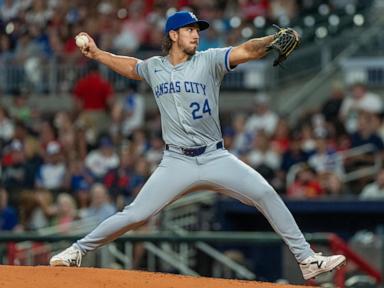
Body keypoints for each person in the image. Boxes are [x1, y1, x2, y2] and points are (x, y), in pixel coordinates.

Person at [50, 10, 346, 280]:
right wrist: (99, 54)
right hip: (176, 162)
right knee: (135, 214)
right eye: (189, 29)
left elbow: (245, 50)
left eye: (197, 30)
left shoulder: (210, 60)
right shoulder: (155, 67)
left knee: (266, 193)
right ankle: (76, 250)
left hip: (215, 157)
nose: (196, 34)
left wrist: (272, 39)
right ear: (173, 35)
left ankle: (306, 259)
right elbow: (131, 67)